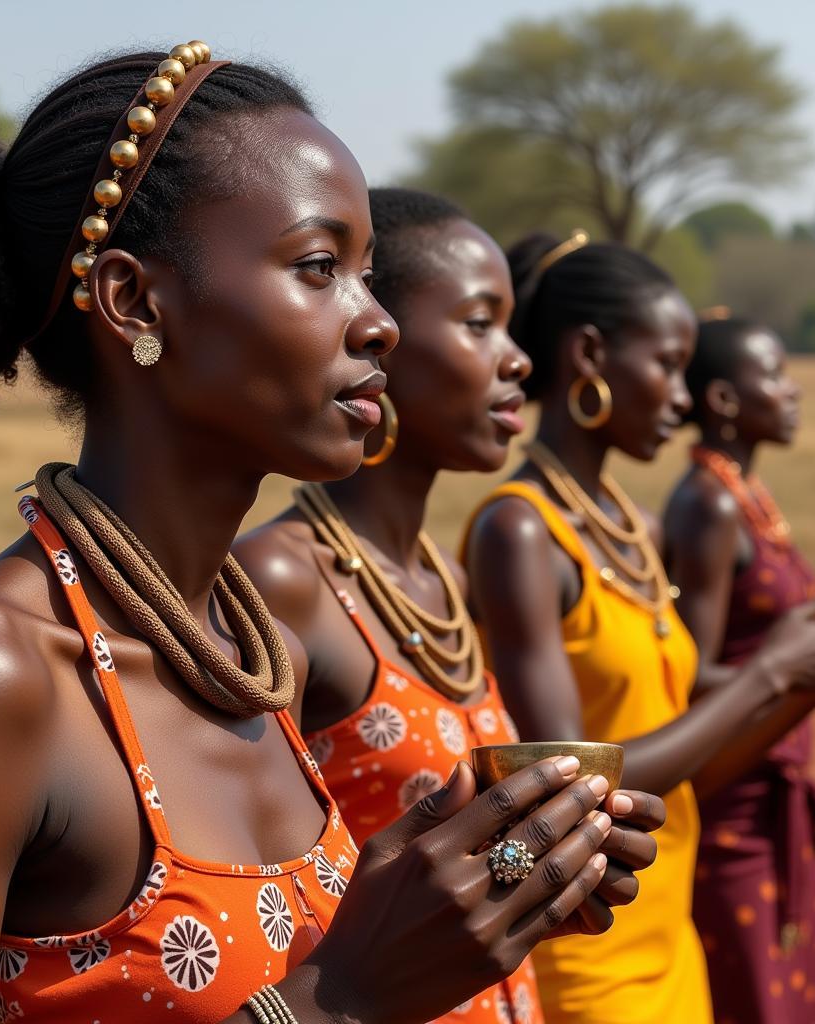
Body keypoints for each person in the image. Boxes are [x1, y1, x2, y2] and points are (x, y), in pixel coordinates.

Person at [0, 49, 631, 1024]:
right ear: (134, 303)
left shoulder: (259, 658)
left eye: (368, 276)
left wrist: (504, 885)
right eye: (318, 267)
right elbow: (330, 994)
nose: (377, 323)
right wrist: (342, 1000)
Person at [235, 188, 664, 1024]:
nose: (518, 360)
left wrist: (544, 868)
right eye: (479, 323)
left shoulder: (445, 582)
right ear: (377, 336)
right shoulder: (282, 581)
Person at [462, 232, 815, 1024]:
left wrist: (807, 680)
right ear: (591, 355)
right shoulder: (522, 531)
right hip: (589, 945)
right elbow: (569, 788)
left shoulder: (631, 529)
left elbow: (685, 762)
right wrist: (771, 674)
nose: (683, 398)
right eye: (668, 365)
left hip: (671, 927)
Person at [663, 314, 815, 1023]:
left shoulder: (742, 497)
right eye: (776, 376)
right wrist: (801, 672)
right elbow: (688, 671)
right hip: (732, 799)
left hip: (768, 792)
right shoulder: (709, 505)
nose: (793, 392)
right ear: (727, 401)